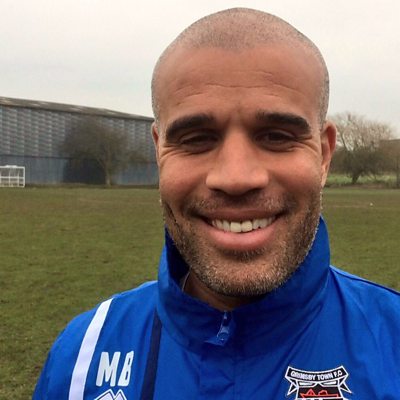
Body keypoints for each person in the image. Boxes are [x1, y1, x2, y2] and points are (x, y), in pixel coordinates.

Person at [34, 8, 400, 400]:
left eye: (276, 136)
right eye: (196, 139)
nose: (236, 178)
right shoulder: (81, 358)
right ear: (159, 152)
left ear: (324, 155)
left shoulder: (391, 342)